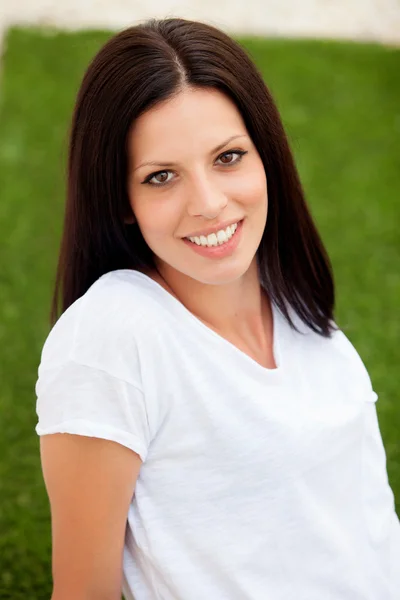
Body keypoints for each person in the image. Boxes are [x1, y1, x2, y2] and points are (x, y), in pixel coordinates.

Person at [34, 16, 400, 600]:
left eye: (228, 158)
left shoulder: (305, 321)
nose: (208, 203)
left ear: (266, 157)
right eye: (160, 177)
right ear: (121, 200)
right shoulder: (112, 336)